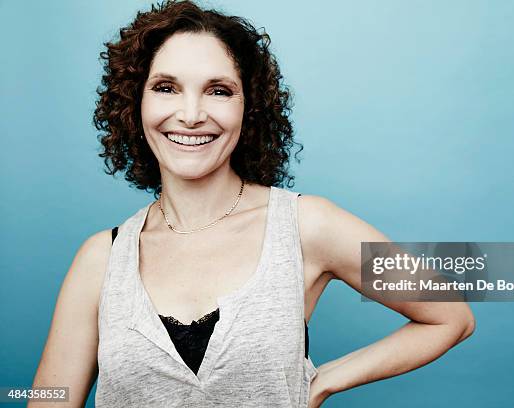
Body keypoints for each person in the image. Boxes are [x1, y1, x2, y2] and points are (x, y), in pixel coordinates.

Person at [30, 1, 475, 407]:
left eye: (218, 91)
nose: (190, 113)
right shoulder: (101, 259)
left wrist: (325, 379)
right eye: (166, 87)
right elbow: (49, 398)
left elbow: (449, 316)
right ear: (134, 102)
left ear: (249, 107)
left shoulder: (305, 227)